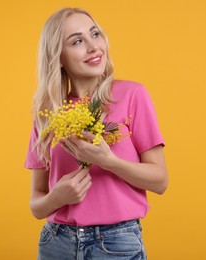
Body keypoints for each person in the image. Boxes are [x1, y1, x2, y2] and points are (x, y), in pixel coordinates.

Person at [24, 7, 168, 260]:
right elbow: (37, 204)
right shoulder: (46, 114)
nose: (93, 47)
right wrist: (56, 198)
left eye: (95, 34)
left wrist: (108, 161)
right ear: (58, 56)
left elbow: (160, 181)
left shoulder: (131, 95)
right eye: (77, 41)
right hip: (56, 242)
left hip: (116, 244)